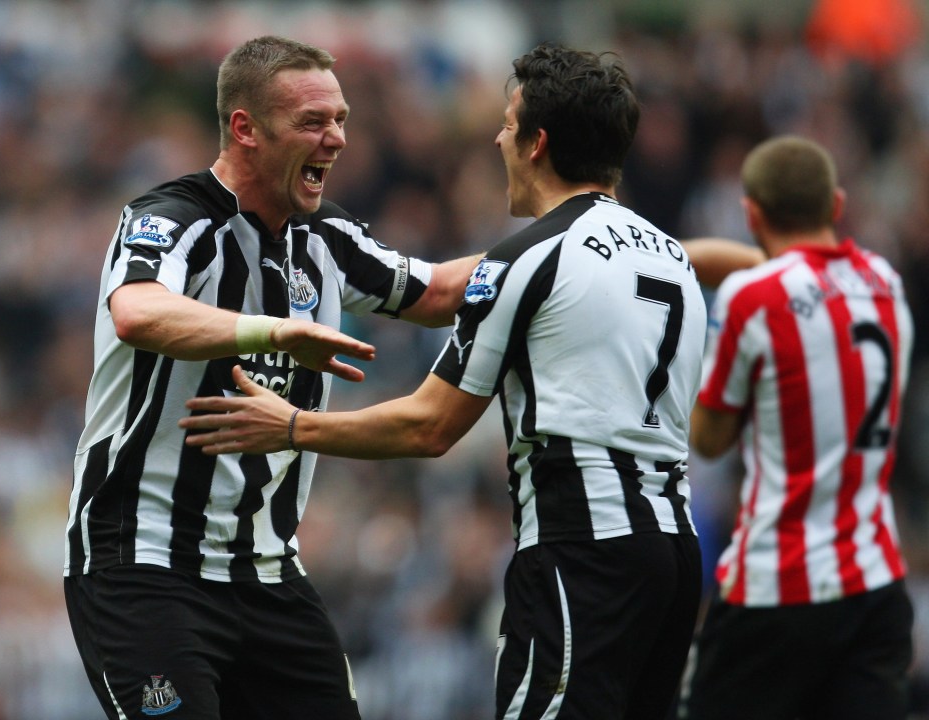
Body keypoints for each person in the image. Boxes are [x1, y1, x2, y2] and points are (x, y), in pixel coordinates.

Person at [181, 42, 710, 720]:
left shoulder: (527, 259)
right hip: (675, 553)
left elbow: (428, 426)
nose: (497, 138)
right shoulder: (672, 259)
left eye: (509, 122)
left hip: (583, 552)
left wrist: (291, 426)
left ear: (538, 143)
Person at [63, 36, 482, 720]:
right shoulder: (173, 218)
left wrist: (560, 245)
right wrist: (275, 330)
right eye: (314, 122)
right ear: (245, 128)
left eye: (341, 119)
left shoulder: (326, 237)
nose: (337, 139)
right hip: (141, 565)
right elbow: (137, 312)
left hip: (266, 573)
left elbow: (435, 293)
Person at [679, 135, 915, 720]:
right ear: (836, 206)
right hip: (875, 581)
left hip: (775, 588)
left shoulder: (750, 297)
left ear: (751, 213)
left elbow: (709, 440)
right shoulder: (887, 283)